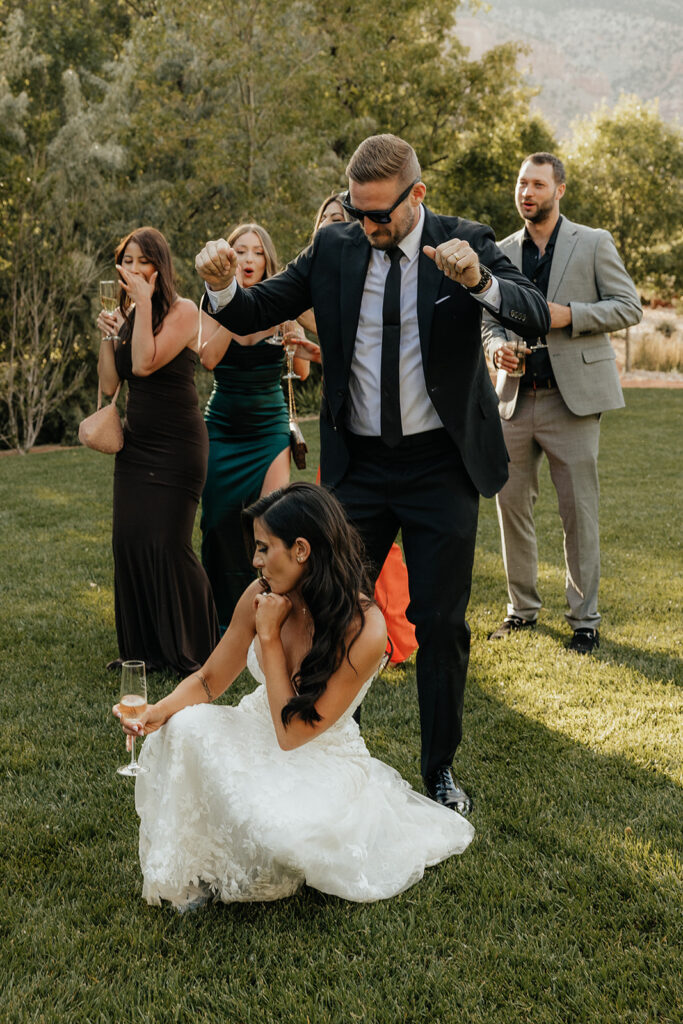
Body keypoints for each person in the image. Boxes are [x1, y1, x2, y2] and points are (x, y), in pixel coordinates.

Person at [195, 133, 550, 815]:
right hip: (357, 467)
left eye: (379, 214)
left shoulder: (465, 239)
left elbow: (530, 310)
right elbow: (257, 307)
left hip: (439, 466)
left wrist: (476, 279)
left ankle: (439, 769)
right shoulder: (333, 249)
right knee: (331, 611)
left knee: (440, 621)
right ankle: (337, 756)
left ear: (416, 195)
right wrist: (219, 290)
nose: (365, 225)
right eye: (357, 212)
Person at [113, 483, 475, 908]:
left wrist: (268, 637)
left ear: (301, 549)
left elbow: (295, 733)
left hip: (320, 752)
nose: (255, 560)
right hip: (255, 725)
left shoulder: (364, 626)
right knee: (185, 726)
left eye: (265, 548)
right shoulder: (258, 594)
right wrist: (159, 710)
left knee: (279, 831)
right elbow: (210, 679)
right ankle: (201, 871)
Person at [482, 153, 642, 654]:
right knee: (512, 509)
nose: (527, 192)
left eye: (537, 184)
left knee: (579, 511)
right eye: (521, 184)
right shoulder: (501, 250)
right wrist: (494, 349)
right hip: (513, 399)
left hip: (571, 400)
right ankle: (521, 610)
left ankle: (584, 620)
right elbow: (486, 320)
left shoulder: (593, 243)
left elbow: (628, 305)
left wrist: (567, 315)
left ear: (560, 190)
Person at [301, 190, 418, 667]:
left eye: (340, 217)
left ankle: (393, 633)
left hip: (385, 430)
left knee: (379, 551)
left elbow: (352, 341)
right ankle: (349, 637)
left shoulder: (366, 269)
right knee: (340, 543)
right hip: (341, 430)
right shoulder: (315, 273)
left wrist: (316, 346)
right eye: (326, 218)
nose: (334, 224)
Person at [96, 226, 219, 675]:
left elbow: (146, 363)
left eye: (140, 260)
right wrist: (110, 335)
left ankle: (198, 644)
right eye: (126, 260)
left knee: (168, 544)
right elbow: (111, 385)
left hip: (178, 447)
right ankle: (144, 650)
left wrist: (143, 306)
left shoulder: (184, 311)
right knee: (129, 542)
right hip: (136, 444)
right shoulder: (130, 314)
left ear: (158, 266)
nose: (131, 269)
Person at [198, 222, 314, 632]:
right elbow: (208, 358)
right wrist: (237, 309)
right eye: (239, 251)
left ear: (267, 260)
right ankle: (217, 620)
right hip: (223, 427)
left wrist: (293, 334)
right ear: (228, 259)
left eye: (256, 252)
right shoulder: (211, 300)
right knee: (216, 524)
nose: (247, 259)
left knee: (274, 525)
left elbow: (301, 372)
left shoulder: (284, 303)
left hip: (268, 430)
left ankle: (274, 617)